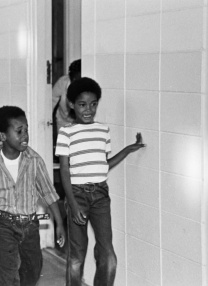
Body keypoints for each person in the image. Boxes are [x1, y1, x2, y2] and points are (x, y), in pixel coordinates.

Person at [55, 77, 145, 286]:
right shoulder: (66, 133)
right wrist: (73, 203)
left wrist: (127, 150)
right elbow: (65, 171)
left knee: (108, 254)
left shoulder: (103, 131)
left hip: (100, 196)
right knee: (77, 255)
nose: (88, 110)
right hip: (76, 194)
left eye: (93, 104)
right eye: (82, 104)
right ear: (71, 104)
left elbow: (102, 164)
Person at [0, 105, 66, 286]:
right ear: (3, 136)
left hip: (30, 225)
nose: (25, 135)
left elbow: (49, 192)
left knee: (33, 268)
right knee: (7, 273)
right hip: (4, 225)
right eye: (19, 131)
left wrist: (59, 223)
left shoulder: (34, 160)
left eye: (26, 129)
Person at [52, 59, 81, 143]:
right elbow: (51, 103)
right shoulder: (62, 82)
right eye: (74, 78)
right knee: (63, 147)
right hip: (63, 121)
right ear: (70, 76)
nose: (76, 81)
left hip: (80, 123)